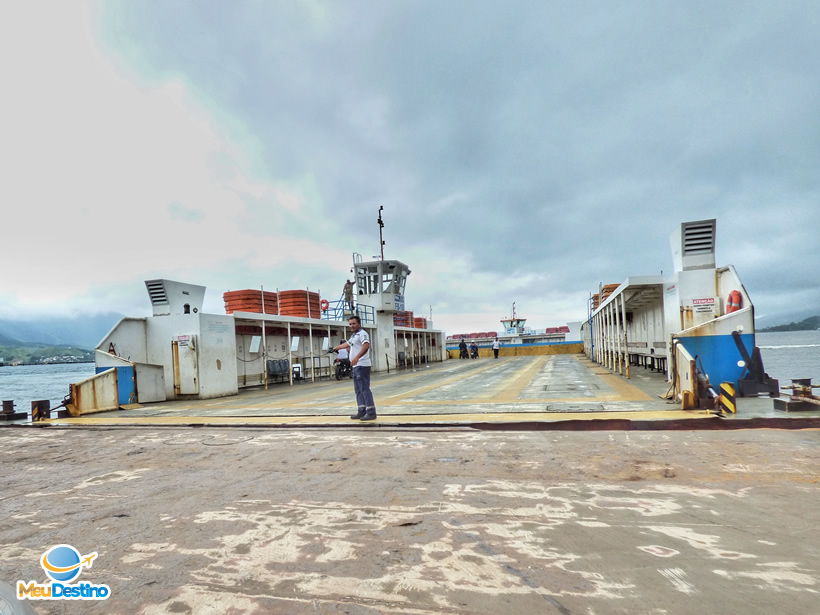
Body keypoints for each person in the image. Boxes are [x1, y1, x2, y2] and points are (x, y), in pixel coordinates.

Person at [333, 315, 376, 420]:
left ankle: (371, 412)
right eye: (350, 324)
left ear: (359, 324)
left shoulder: (362, 334)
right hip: (356, 366)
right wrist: (335, 348)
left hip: (362, 365)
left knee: (364, 389)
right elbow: (347, 344)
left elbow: (366, 346)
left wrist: (357, 357)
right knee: (358, 390)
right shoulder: (354, 336)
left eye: (354, 323)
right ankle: (361, 410)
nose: (352, 326)